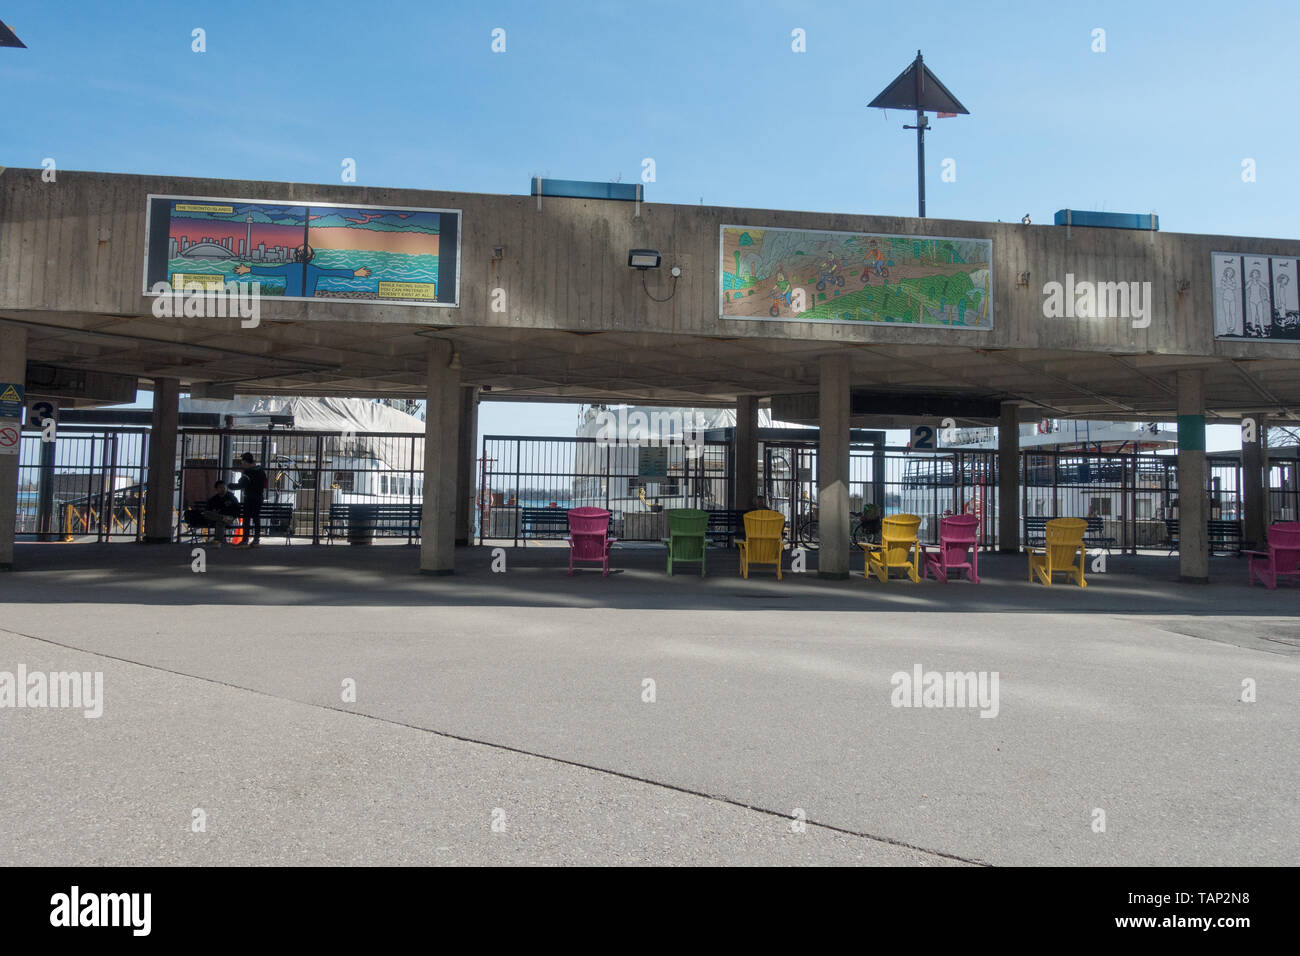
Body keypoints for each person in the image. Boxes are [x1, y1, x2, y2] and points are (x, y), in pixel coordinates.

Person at [234, 244, 371, 298]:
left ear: (294, 255)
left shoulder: (289, 267)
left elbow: (270, 271)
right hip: (308, 300)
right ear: (313, 257)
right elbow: (332, 272)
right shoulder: (314, 269)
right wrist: (355, 273)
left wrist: (248, 269)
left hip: (287, 299)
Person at [232, 453, 268, 547]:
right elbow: (265, 485)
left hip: (249, 497)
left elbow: (241, 485)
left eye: (243, 462)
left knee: (246, 519)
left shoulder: (248, 472)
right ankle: (256, 540)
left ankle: (245, 540)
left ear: (246, 461)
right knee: (256, 518)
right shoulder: (261, 471)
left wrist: (230, 486)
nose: (242, 464)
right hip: (259, 497)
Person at [197, 480, 240, 548]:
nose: (223, 489)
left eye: (224, 487)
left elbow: (236, 511)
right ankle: (218, 541)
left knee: (219, 522)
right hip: (218, 519)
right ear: (216, 489)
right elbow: (208, 510)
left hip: (230, 519)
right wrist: (216, 514)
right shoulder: (213, 499)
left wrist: (227, 515)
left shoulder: (232, 498)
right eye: (220, 487)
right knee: (210, 515)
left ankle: (217, 541)